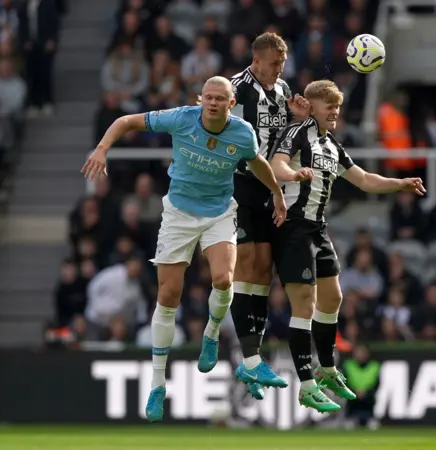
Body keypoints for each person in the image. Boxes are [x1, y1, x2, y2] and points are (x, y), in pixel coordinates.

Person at [81, 76, 287, 422]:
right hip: (178, 214)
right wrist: (102, 148)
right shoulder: (180, 117)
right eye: (208, 97)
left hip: (220, 211)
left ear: (231, 104)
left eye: (221, 98)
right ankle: (157, 383)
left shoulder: (242, 133)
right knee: (168, 295)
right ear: (200, 99)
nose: (213, 102)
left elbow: (257, 162)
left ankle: (210, 335)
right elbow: (126, 121)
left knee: (223, 279)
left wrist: (278, 194)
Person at [269, 80, 425, 413]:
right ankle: (307, 385)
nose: (336, 112)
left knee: (334, 297)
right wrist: (292, 176)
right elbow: (276, 164)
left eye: (338, 107)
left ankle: (327, 369)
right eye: (330, 106)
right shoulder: (297, 133)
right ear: (312, 108)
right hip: (294, 228)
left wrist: (400, 183)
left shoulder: (332, 146)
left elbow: (364, 179)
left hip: (318, 228)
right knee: (304, 304)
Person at [229, 32, 311, 401]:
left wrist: (298, 118)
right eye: (274, 63)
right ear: (257, 60)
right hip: (239, 185)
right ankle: (248, 357)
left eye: (282, 63)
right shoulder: (236, 88)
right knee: (247, 264)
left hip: (270, 187)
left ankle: (253, 358)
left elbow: (285, 138)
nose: (280, 69)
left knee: (263, 269)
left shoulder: (282, 90)